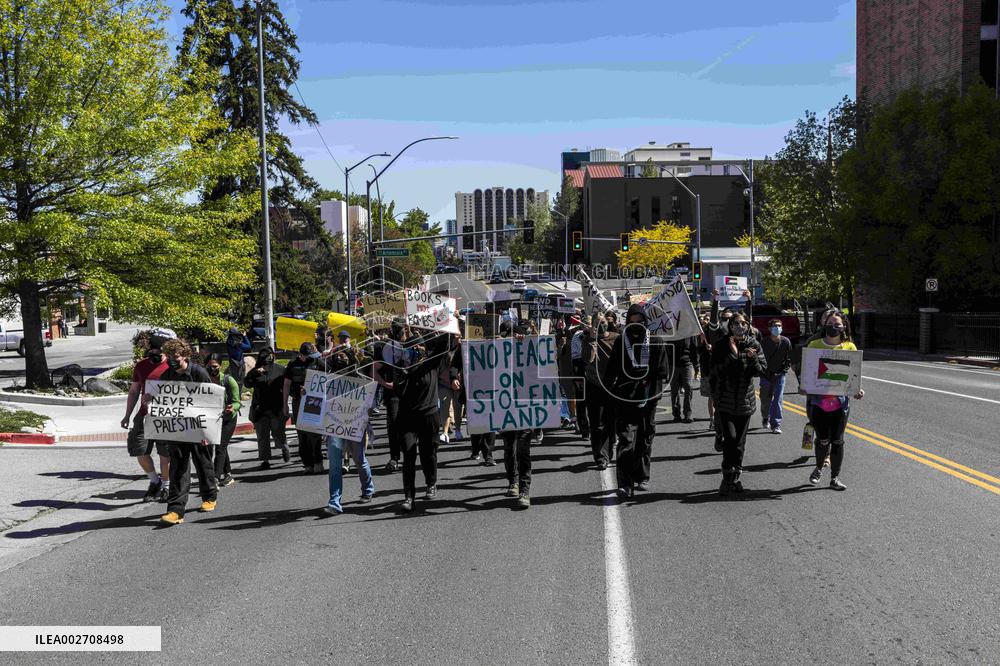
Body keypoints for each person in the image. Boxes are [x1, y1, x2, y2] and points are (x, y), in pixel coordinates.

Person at [603, 304, 669, 498]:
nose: (636, 327)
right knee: (626, 439)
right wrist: (611, 391)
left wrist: (649, 383)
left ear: (645, 322)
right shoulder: (621, 343)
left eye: (640, 322)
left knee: (645, 437)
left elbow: (663, 372)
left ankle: (642, 476)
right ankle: (625, 483)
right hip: (626, 397)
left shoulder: (656, 341)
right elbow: (612, 370)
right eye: (632, 323)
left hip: (649, 397)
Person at [158, 339, 218, 525]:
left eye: (175, 357)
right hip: (178, 429)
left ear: (184, 355)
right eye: (169, 357)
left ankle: (209, 496)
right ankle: (175, 510)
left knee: (203, 463)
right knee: (178, 468)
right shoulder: (166, 375)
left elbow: (211, 402)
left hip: (199, 428)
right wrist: (149, 400)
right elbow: (162, 402)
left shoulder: (199, 373)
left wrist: (208, 432)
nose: (172, 360)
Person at [804, 313, 864, 491]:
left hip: (840, 404)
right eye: (830, 323)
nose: (833, 327)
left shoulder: (849, 347)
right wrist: (804, 386)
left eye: (837, 324)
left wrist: (857, 390)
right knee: (823, 440)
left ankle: (835, 478)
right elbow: (808, 372)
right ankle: (819, 467)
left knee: (838, 441)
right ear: (824, 325)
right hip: (818, 403)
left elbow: (853, 375)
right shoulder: (814, 345)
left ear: (844, 327)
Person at [396, 328, 451, 512]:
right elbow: (396, 390)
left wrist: (449, 321)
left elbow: (444, 344)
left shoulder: (430, 363)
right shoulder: (400, 368)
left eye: (419, 345)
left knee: (428, 453)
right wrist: (403, 370)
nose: (416, 349)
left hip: (429, 416)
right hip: (407, 418)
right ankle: (409, 497)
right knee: (409, 455)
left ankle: (431, 483)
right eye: (412, 346)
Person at [711, 312, 766, 495]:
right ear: (730, 325)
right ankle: (726, 477)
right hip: (725, 401)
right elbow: (715, 370)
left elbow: (761, 371)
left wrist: (753, 359)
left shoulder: (753, 344)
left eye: (743, 323)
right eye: (736, 323)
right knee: (731, 439)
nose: (739, 326)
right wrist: (733, 355)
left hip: (744, 402)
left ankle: (735, 478)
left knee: (740, 443)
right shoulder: (721, 345)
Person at [322, 348, 375, 515]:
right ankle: (335, 502)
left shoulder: (361, 380)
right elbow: (319, 400)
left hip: (354, 426)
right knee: (335, 464)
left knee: (359, 459)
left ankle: (368, 489)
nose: (340, 357)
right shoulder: (328, 381)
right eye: (338, 355)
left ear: (351, 359)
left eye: (344, 355)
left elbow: (370, 405)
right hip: (335, 426)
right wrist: (308, 393)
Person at [120, 340, 171, 503]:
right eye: (151, 354)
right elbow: (134, 390)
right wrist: (127, 415)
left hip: (165, 415)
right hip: (144, 415)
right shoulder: (141, 366)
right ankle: (154, 481)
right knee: (140, 450)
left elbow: (181, 391)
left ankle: (166, 485)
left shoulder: (172, 365)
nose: (154, 358)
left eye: (158, 354)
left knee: (165, 454)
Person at [499, 323, 533, 509]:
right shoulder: (498, 351)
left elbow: (541, 363)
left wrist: (525, 344)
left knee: (523, 450)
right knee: (509, 448)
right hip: (504, 407)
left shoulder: (529, 352)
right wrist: (501, 343)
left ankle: (524, 491)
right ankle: (512, 481)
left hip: (526, 407)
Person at [245, 346, 290, 470]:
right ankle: (265, 459)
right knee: (262, 435)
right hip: (260, 408)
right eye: (265, 356)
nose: (267, 358)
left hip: (276, 407)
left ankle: (283, 446)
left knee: (277, 432)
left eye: (269, 355)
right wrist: (254, 373)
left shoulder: (280, 370)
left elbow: (287, 386)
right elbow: (247, 383)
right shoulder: (255, 371)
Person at [581, 319, 618, 469]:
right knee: (596, 425)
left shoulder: (616, 338)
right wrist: (591, 339)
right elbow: (587, 359)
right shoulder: (587, 338)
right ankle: (600, 456)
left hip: (612, 386)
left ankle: (609, 449)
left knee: (610, 422)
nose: (600, 325)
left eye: (603, 321)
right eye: (597, 322)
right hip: (593, 385)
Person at [284, 342, 325, 474]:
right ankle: (308, 464)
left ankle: (318, 461)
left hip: (314, 402)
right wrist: (285, 404)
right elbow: (286, 385)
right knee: (302, 435)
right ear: (301, 355)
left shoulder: (318, 362)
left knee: (314, 434)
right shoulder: (292, 365)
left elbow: (330, 379)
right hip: (298, 402)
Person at [374, 320, 408, 473]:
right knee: (394, 424)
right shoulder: (383, 348)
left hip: (410, 392)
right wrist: (385, 384)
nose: (405, 333)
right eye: (403, 331)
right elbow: (374, 371)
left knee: (410, 425)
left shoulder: (412, 344)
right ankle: (394, 458)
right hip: (393, 393)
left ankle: (408, 454)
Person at [205, 353, 240, 487]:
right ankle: (228, 474)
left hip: (227, 419)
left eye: (215, 366)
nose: (212, 369)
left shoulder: (228, 381)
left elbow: (237, 402)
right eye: (209, 366)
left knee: (220, 446)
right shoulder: (203, 380)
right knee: (221, 447)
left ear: (220, 366)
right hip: (211, 419)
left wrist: (232, 408)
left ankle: (214, 478)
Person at [759, 318, 792, 434]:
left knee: (778, 400)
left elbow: (789, 358)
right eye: (774, 326)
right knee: (765, 400)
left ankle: (776, 424)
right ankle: (765, 417)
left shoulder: (786, 341)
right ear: (769, 328)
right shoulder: (764, 342)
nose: (777, 328)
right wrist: (764, 372)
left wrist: (784, 371)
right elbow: (760, 359)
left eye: (779, 325)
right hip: (766, 375)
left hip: (780, 375)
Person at [438, 333, 463, 444]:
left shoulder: (463, 350)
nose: (460, 339)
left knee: (458, 408)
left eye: (460, 337)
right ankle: (445, 432)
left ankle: (457, 429)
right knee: (445, 408)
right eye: (457, 337)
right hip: (444, 384)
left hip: (459, 384)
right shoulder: (444, 351)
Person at [668, 334, 699, 424]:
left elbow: (694, 349)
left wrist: (696, 365)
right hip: (673, 364)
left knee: (688, 387)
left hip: (687, 363)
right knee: (674, 389)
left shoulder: (690, 333)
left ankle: (687, 414)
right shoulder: (671, 331)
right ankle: (676, 414)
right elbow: (666, 347)